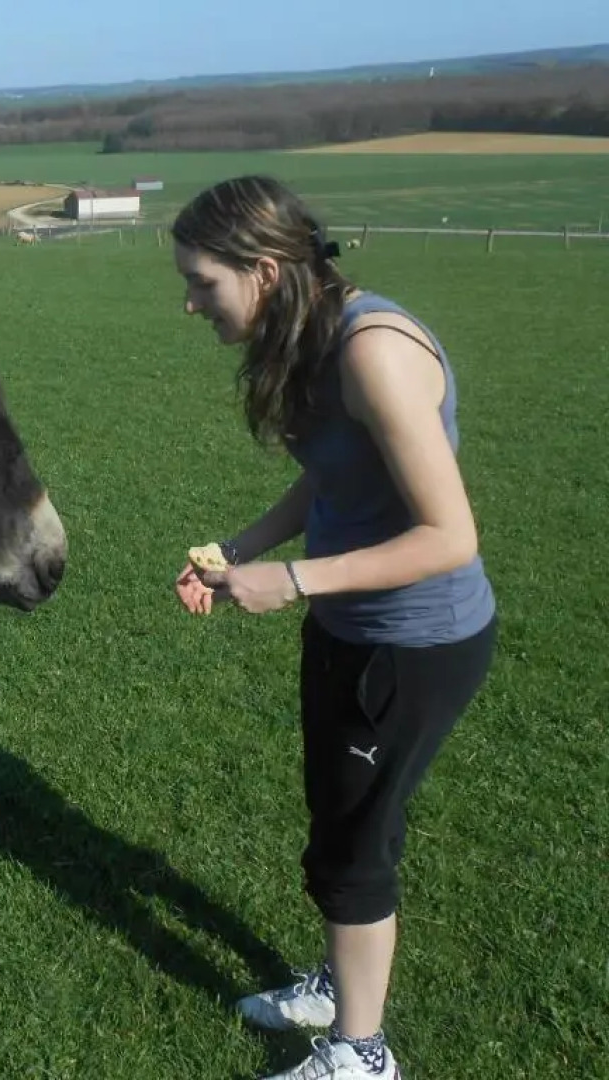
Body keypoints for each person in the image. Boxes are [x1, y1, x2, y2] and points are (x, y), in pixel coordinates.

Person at [169, 175, 497, 1080]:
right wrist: (239, 551)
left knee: (357, 845)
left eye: (202, 281)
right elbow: (331, 478)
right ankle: (339, 987)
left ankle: (362, 1052)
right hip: (349, 630)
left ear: (265, 272)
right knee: (338, 822)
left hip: (413, 644)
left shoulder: (372, 351)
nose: (189, 301)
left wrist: (294, 580)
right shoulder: (311, 340)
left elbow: (450, 535)